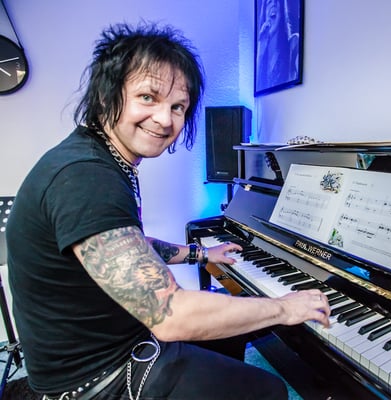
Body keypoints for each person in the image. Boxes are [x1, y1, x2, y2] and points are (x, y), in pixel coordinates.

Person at [6, 22, 330, 400]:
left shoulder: (96, 157)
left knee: (230, 330)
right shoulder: (86, 177)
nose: (165, 119)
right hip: (96, 379)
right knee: (269, 389)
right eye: (148, 97)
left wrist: (201, 254)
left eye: (178, 107)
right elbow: (170, 316)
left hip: (107, 345)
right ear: (107, 94)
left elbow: (131, 248)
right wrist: (283, 308)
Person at [255, 0, 300, 92]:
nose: (273, 4)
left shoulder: (293, 43)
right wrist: (261, 48)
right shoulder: (261, 56)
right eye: (269, 2)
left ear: (281, 12)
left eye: (276, 1)